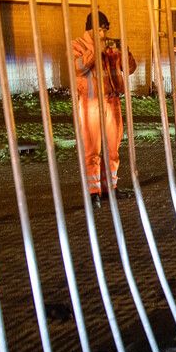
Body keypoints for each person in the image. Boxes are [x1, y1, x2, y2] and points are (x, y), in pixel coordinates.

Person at [72, 11, 136, 209]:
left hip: (112, 102)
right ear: (90, 29)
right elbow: (79, 67)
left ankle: (110, 188)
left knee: (112, 149)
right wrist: (96, 50)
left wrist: (124, 50)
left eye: (106, 29)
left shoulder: (110, 47)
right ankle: (93, 192)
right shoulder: (78, 45)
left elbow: (130, 68)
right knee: (92, 150)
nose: (104, 33)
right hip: (90, 103)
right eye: (101, 29)